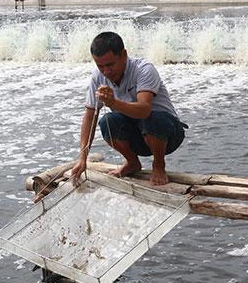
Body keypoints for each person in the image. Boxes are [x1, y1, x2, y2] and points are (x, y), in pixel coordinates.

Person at [71, 32, 187, 186]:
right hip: (138, 137)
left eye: (110, 65)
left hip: (167, 134)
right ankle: (132, 163)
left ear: (124, 55)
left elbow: (144, 110)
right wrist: (82, 158)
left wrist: (113, 103)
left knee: (152, 119)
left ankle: (159, 165)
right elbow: (90, 116)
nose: (106, 72)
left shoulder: (144, 69)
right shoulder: (97, 77)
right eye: (100, 66)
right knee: (107, 122)